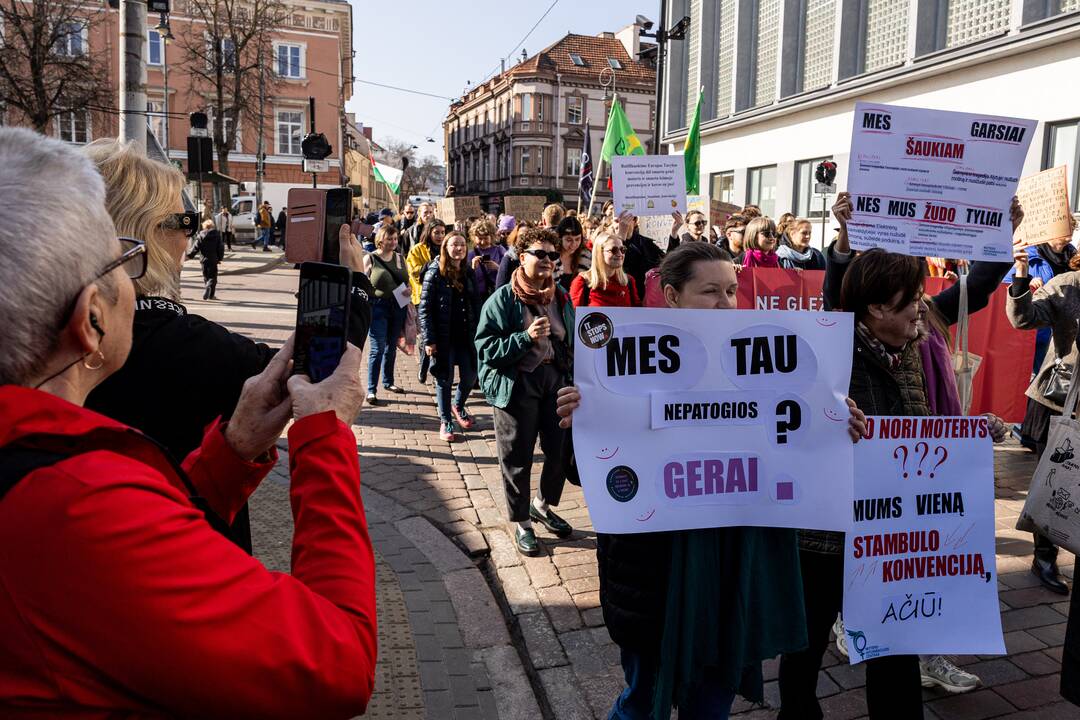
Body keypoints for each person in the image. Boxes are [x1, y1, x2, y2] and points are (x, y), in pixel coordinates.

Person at [0, 127, 377, 718]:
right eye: (125, 260)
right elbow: (337, 661)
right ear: (89, 318)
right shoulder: (74, 501)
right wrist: (325, 437)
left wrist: (231, 454)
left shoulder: (41, 455)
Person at [555, 242, 868, 719]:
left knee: (711, 704)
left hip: (729, 566)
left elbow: (796, 440)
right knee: (642, 700)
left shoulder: (764, 354)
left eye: (731, 290)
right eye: (711, 292)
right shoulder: (621, 355)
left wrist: (836, 425)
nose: (726, 303)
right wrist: (582, 424)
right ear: (672, 295)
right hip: (652, 575)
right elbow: (588, 474)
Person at [781, 191, 1016, 715]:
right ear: (875, 308)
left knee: (896, 651)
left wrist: (999, 233)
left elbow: (973, 289)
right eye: (911, 299)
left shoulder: (914, 334)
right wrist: (843, 240)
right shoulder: (832, 344)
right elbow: (835, 303)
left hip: (891, 534)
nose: (921, 307)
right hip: (824, 533)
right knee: (806, 643)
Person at [83, 139, 374, 554]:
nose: (189, 237)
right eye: (185, 220)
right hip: (191, 568)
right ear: (141, 236)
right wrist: (353, 287)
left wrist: (233, 450)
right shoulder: (187, 345)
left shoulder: (48, 334)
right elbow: (323, 371)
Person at [476, 227, 575, 556]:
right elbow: (486, 348)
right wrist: (525, 337)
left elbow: (572, 338)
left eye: (552, 255)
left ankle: (542, 506)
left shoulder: (560, 295)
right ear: (522, 258)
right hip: (517, 381)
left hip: (555, 381)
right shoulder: (503, 299)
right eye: (540, 254)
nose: (547, 260)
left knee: (560, 449)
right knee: (517, 456)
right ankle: (522, 523)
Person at [1007, 241, 1080, 595]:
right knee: (1053, 481)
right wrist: (1021, 274)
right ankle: (1044, 557)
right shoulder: (1067, 285)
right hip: (1058, 400)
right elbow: (1022, 318)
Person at [419, 230, 482, 441]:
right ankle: (446, 420)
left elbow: (476, 303)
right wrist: (429, 339)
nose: (459, 249)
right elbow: (425, 309)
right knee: (444, 379)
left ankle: (458, 405)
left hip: (466, 335)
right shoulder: (435, 272)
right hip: (444, 337)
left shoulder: (468, 272)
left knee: (471, 376)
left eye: (463, 245)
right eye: (454, 245)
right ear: (446, 247)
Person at [363, 224, 408, 405]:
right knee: (377, 348)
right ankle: (372, 390)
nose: (393, 242)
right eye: (389, 238)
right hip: (378, 307)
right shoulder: (371, 258)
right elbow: (362, 282)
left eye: (395, 238)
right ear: (380, 240)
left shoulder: (400, 258)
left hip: (399, 305)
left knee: (391, 346)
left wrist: (408, 292)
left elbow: (407, 281)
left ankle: (388, 382)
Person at [407, 219, 446, 384]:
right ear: (429, 232)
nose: (440, 236)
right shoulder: (418, 249)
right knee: (426, 337)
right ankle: (424, 367)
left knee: (439, 336)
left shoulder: (447, 249)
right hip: (422, 297)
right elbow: (414, 272)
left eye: (443, 232)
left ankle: (436, 370)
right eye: (436, 232)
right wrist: (431, 264)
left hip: (443, 298)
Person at [570, 221, 640, 308]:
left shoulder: (628, 281)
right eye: (613, 250)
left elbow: (637, 315)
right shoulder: (583, 282)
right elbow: (573, 317)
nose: (620, 254)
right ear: (599, 252)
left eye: (623, 250)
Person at [467, 217, 506, 300]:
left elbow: (509, 272)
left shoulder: (499, 250)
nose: (483, 242)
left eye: (485, 238)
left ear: (491, 236)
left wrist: (497, 267)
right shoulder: (470, 254)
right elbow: (467, 278)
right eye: (480, 238)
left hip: (497, 293)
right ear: (474, 237)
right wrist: (473, 268)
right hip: (478, 295)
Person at [623, 214, 663, 293]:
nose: (622, 223)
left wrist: (674, 234)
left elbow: (666, 260)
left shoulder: (645, 243)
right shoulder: (609, 244)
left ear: (635, 221)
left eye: (626, 219)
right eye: (617, 221)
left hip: (644, 294)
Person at [188, 219, 225, 300]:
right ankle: (211, 294)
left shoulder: (200, 235)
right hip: (213, 259)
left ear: (204, 226)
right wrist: (220, 258)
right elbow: (220, 247)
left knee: (205, 276)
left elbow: (195, 247)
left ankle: (207, 288)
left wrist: (190, 256)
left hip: (203, 259)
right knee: (213, 277)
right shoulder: (217, 235)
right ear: (212, 226)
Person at [555, 215, 592, 292]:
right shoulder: (551, 256)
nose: (574, 244)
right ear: (560, 238)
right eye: (569, 240)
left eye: (577, 239)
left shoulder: (586, 256)